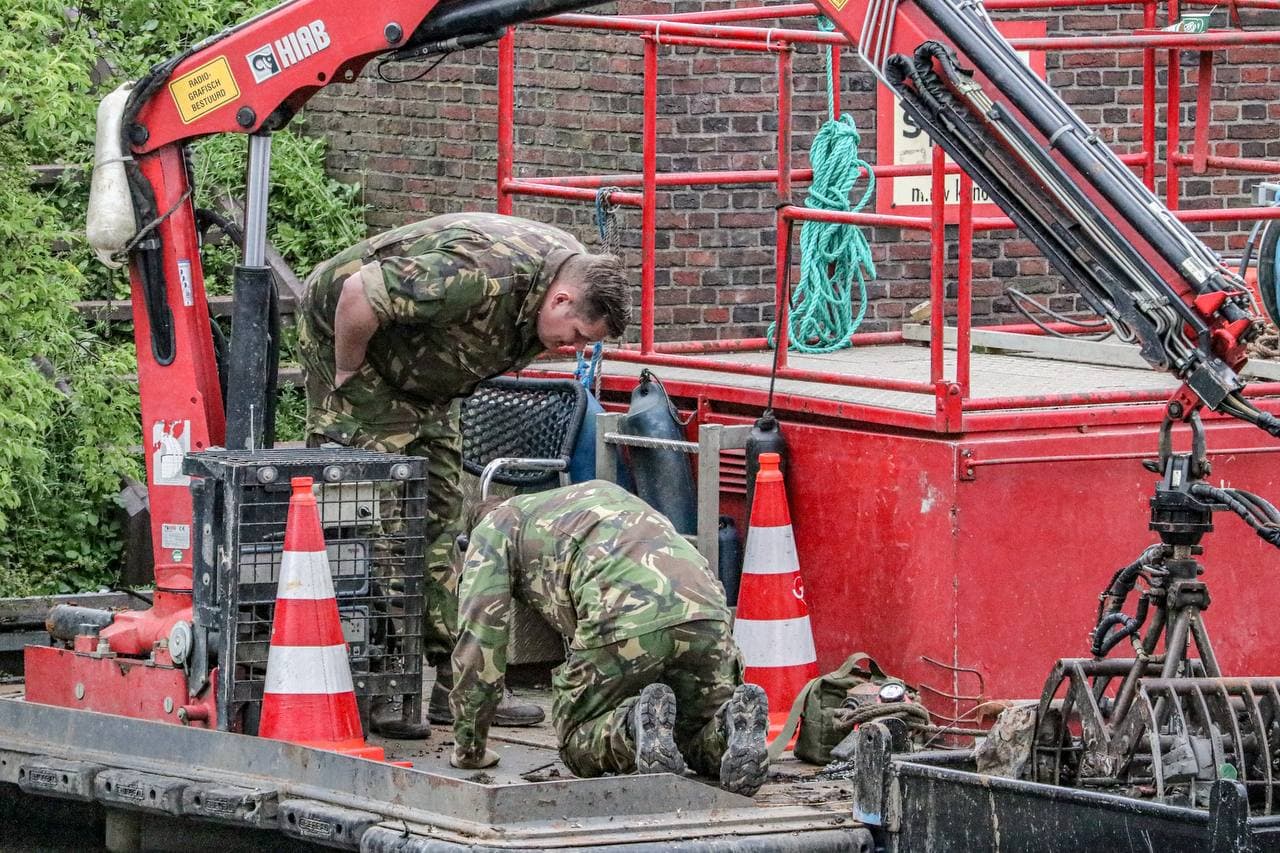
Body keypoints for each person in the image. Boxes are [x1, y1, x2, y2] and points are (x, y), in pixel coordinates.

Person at [298, 212, 632, 737]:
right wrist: (346, 374)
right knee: (382, 528)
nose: (570, 349)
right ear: (561, 301)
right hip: (355, 347)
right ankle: (386, 689)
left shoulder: (567, 272)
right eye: (573, 336)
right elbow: (359, 294)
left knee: (444, 524)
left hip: (428, 379)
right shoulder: (480, 276)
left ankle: (462, 690)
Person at [449, 480, 771, 797]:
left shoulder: (492, 528)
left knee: (575, 737)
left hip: (621, 614)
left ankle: (631, 727)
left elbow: (480, 641)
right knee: (693, 730)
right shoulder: (592, 495)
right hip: (706, 610)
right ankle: (728, 727)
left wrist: (470, 746)